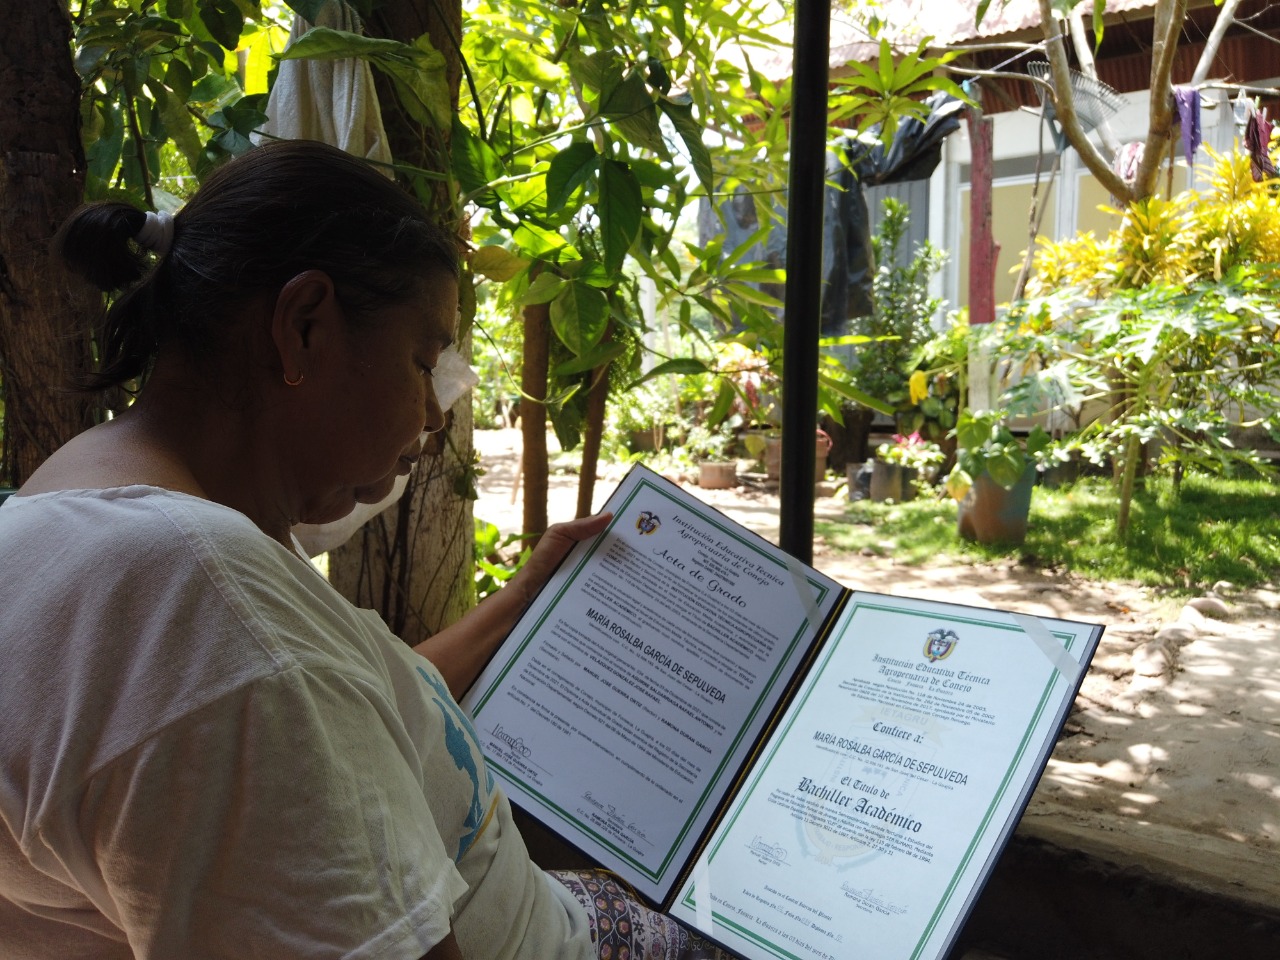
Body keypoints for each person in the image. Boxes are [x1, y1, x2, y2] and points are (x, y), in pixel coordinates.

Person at [0, 140, 727, 960]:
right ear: (303, 327)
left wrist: (525, 598)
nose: (434, 416)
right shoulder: (208, 606)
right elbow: (267, 692)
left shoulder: (80, 497)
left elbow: (336, 710)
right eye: (422, 362)